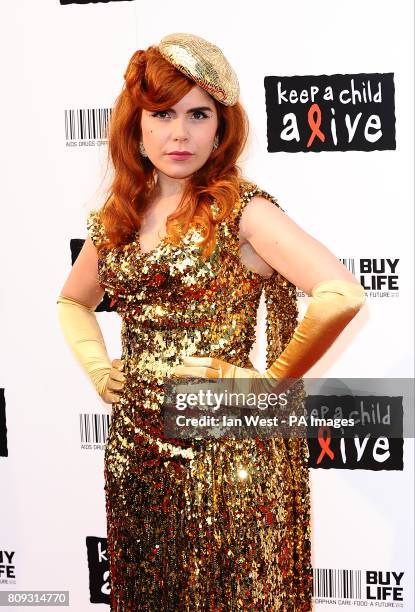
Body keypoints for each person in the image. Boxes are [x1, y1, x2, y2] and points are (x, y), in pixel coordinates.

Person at [57, 33, 366, 611]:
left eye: (198, 114)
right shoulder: (117, 219)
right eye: (163, 114)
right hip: (137, 455)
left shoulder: (241, 210)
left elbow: (340, 294)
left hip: (225, 450)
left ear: (221, 129)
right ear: (137, 126)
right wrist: (100, 370)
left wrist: (268, 385)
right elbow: (71, 301)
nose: (180, 133)